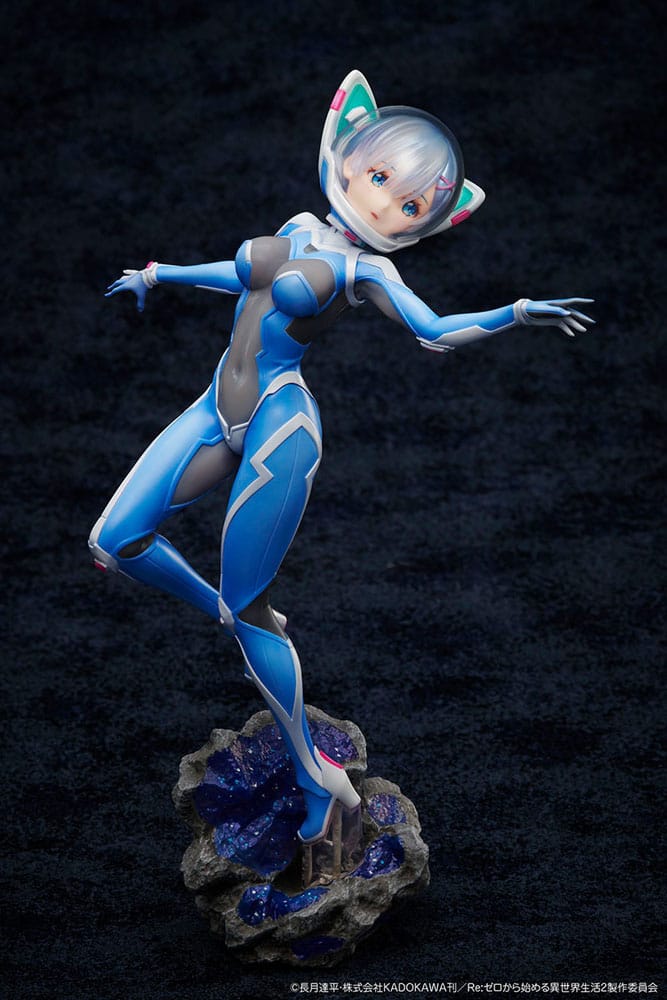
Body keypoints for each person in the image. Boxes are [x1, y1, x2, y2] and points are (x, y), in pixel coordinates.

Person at [89, 70, 593, 846]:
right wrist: (163, 274)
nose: (387, 203)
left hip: (279, 429)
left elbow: (433, 333)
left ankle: (314, 776)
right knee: (114, 541)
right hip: (214, 407)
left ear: (429, 222)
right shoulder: (298, 222)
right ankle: (232, 612)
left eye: (413, 205)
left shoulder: (370, 270)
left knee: (252, 614)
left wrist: (515, 313)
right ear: (347, 153)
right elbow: (242, 275)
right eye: (382, 177)